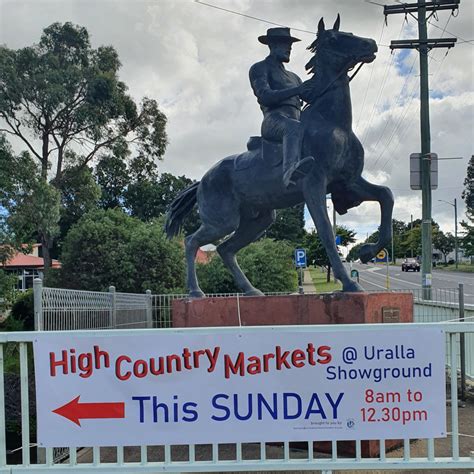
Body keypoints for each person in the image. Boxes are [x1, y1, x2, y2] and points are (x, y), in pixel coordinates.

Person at [249, 27, 314, 188]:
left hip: (297, 120)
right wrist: (297, 90)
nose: (289, 49)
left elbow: (311, 96)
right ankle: (289, 172)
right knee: (293, 128)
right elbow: (264, 95)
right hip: (274, 121)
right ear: (273, 45)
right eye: (285, 45)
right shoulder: (259, 68)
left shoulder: (295, 77)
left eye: (290, 46)